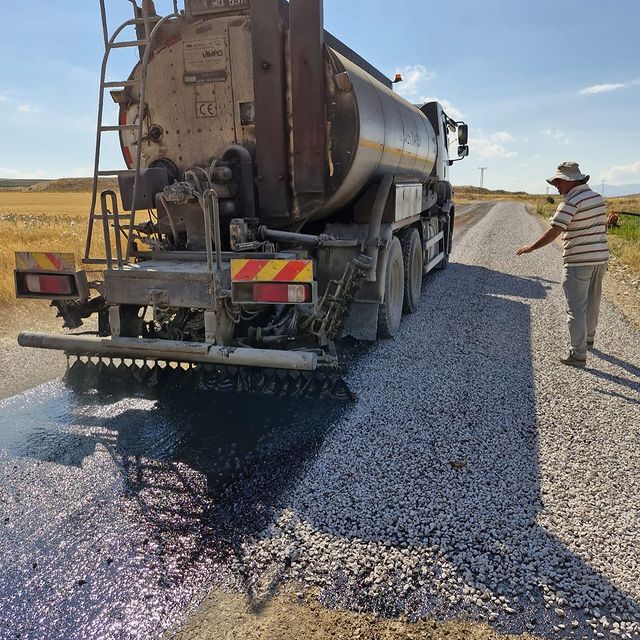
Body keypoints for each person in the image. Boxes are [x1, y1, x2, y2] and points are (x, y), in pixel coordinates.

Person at [516, 161, 608, 367]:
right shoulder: (598, 198)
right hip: (600, 258)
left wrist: (531, 247)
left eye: (559, 181)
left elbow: (555, 230)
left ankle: (578, 354)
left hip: (578, 260)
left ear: (569, 181)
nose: (557, 186)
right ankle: (588, 339)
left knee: (575, 307)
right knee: (593, 302)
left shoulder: (570, 201)